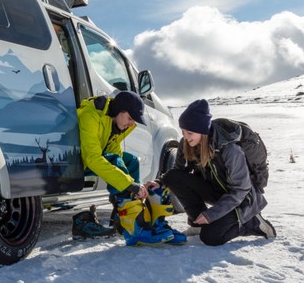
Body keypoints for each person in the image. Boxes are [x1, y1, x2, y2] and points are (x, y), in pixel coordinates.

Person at [148, 99, 276, 246]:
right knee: (172, 177)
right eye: (183, 131)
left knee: (211, 237)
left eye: (189, 132)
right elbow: (178, 171)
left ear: (203, 131)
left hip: (241, 200)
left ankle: (251, 223)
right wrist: (160, 182)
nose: (185, 136)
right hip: (217, 191)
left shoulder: (231, 150)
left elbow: (241, 190)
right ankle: (198, 224)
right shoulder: (187, 143)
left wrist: (212, 214)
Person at [71, 91, 185, 245]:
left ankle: (130, 216)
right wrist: (129, 185)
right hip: (77, 161)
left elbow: (114, 153)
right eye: (130, 118)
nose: (132, 124)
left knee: (131, 161)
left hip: (92, 159)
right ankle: (134, 229)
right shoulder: (90, 115)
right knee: (117, 162)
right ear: (120, 111)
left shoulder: (114, 124)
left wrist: (134, 187)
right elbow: (92, 158)